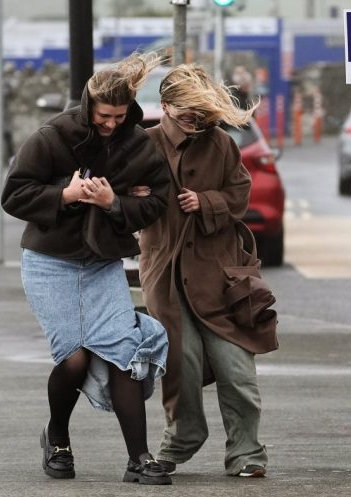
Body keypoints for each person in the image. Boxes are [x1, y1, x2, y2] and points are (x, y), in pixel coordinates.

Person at [1, 52, 173, 485]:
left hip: (101, 264)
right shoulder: (53, 135)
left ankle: (140, 459)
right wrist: (67, 194)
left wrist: (113, 202)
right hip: (49, 263)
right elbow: (14, 194)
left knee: (124, 356)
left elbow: (157, 201)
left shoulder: (139, 143)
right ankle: (56, 436)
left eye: (119, 115)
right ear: (87, 106)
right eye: (103, 116)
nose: (111, 124)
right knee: (74, 359)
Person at [138, 64, 278, 479]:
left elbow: (240, 193)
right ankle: (180, 440)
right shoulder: (143, 145)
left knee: (237, 369)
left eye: (201, 114)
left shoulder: (219, 144)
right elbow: (126, 205)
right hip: (166, 274)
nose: (195, 122)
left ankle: (247, 453)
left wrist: (208, 202)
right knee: (182, 364)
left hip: (220, 274)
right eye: (187, 114)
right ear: (164, 107)